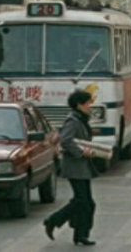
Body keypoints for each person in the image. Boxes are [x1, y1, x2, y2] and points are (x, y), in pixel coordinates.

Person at [44, 89, 98, 246]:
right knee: (83, 201)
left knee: (85, 202)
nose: (89, 106)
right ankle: (53, 221)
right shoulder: (73, 121)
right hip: (75, 167)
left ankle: (80, 234)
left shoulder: (80, 119)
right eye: (87, 103)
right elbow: (66, 140)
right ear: (79, 105)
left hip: (82, 167)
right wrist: (81, 152)